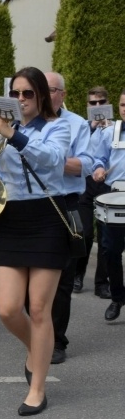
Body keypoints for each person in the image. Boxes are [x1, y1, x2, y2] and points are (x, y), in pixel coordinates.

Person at [0, 66, 71, 416]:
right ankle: (37, 349)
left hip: (48, 217)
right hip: (12, 217)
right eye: (16, 94)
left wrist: (13, 134)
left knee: (38, 308)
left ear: (42, 95)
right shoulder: (3, 128)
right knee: (6, 308)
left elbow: (52, 161)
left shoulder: (59, 125)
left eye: (28, 94)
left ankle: (37, 389)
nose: (21, 100)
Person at [44, 72, 93, 365]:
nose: (45, 95)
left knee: (63, 276)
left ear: (62, 94)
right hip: (31, 205)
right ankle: (39, 330)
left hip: (67, 202)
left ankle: (57, 340)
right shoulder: (24, 123)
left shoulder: (77, 124)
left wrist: (46, 157)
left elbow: (85, 165)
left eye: (50, 90)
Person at [91, 88, 125, 322]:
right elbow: (98, 159)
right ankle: (117, 297)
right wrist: (99, 169)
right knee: (111, 251)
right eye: (123, 105)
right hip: (114, 197)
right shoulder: (110, 132)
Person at [75, 87, 112, 299]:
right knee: (85, 233)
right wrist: (92, 127)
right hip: (86, 183)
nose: (97, 107)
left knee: (106, 237)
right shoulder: (82, 128)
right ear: (87, 106)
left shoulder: (116, 128)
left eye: (101, 102)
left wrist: (107, 129)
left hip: (107, 184)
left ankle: (102, 283)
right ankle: (78, 274)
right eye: (93, 103)